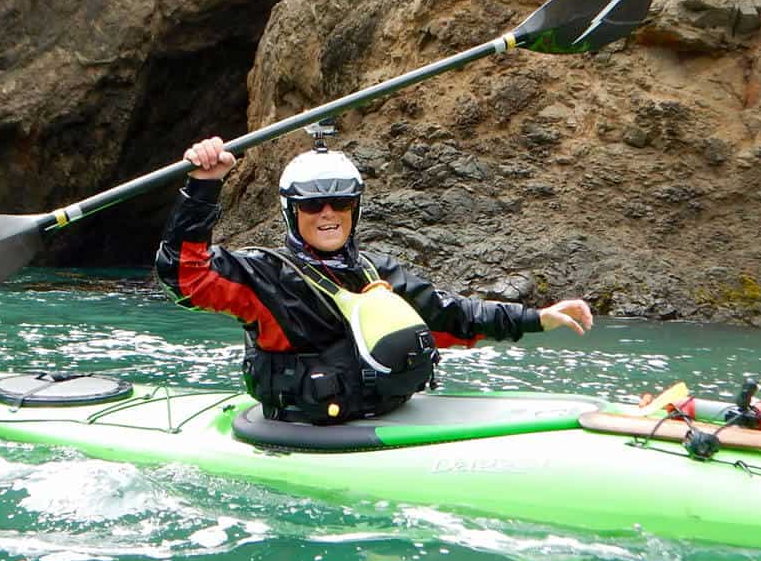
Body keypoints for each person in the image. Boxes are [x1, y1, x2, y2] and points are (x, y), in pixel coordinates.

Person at [156, 134, 594, 424]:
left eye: (339, 202)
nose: (327, 214)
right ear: (293, 213)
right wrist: (204, 186)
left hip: (386, 417)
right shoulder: (264, 275)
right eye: (312, 206)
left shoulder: (376, 272)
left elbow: (452, 317)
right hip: (304, 432)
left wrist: (537, 318)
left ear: (354, 209)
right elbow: (185, 278)